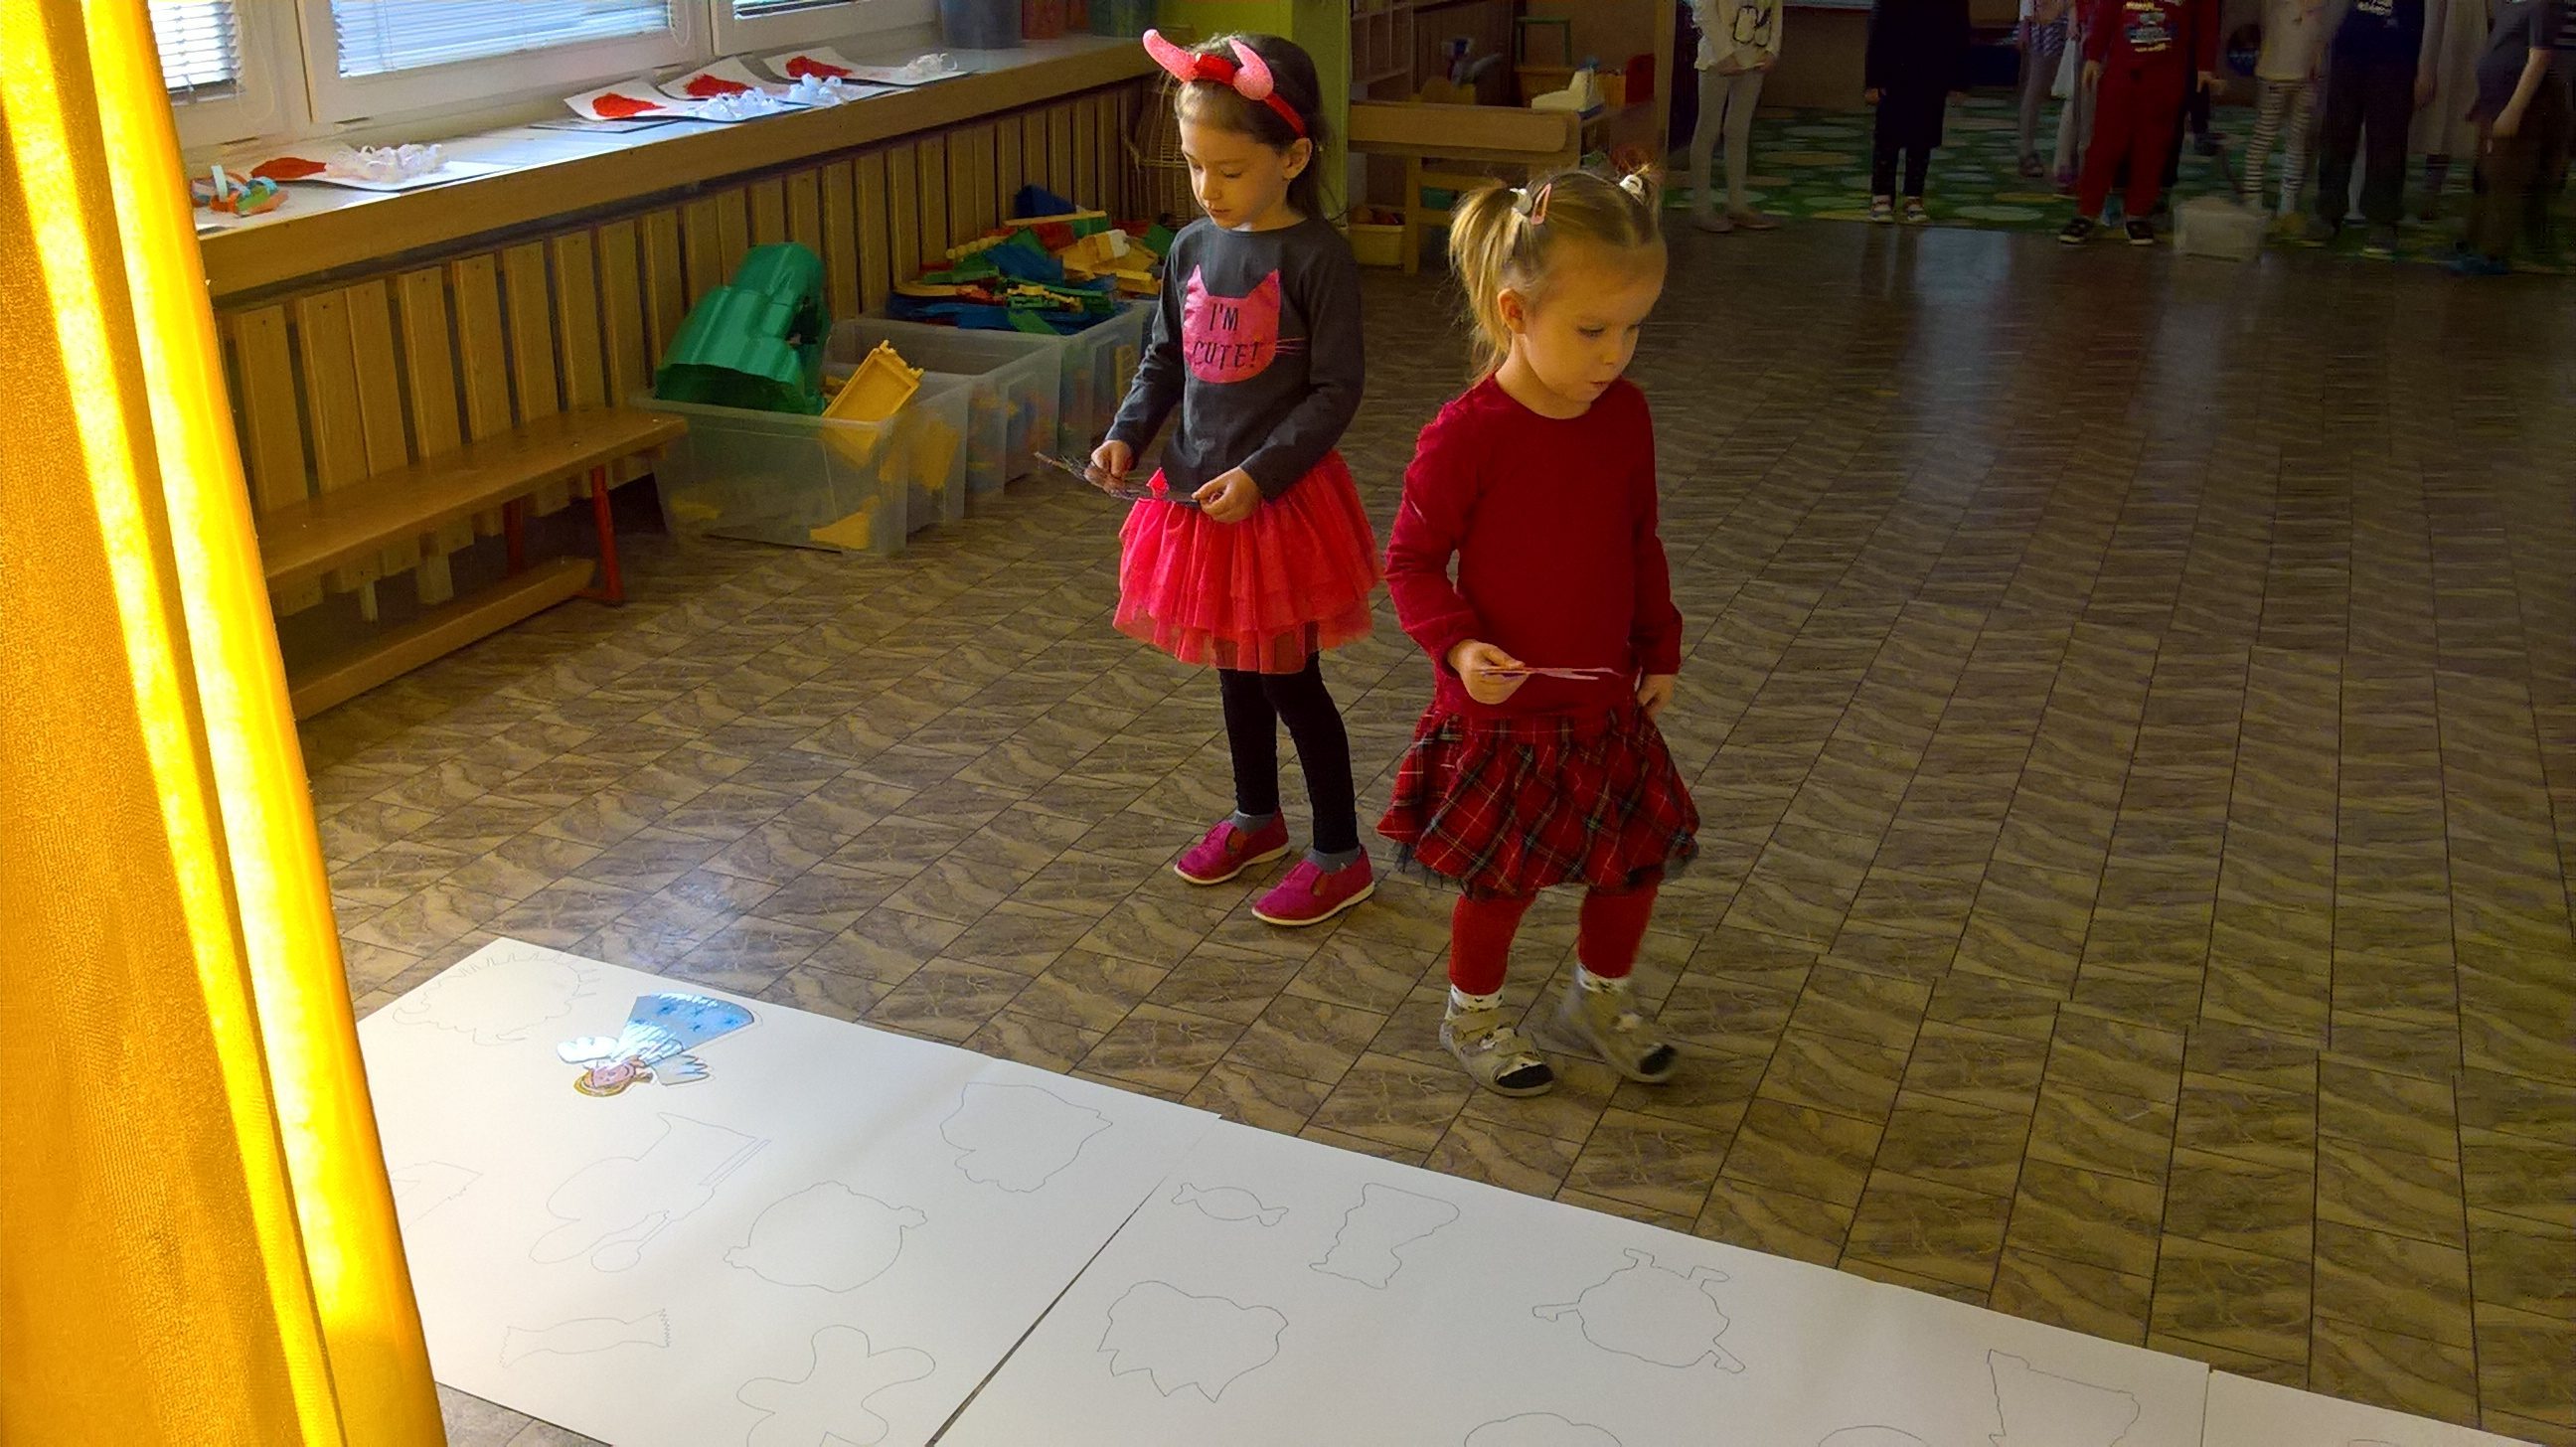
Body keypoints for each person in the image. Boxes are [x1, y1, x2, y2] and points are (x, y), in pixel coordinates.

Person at [1380, 168, 1697, 1098]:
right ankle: (1472, 1015)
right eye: (1592, 330)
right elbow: (1409, 561)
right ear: (1515, 312)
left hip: (1603, 703)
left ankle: (1598, 1000)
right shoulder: (1467, 434)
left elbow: (1640, 540)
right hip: (1502, 715)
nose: (1615, 355)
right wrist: (1457, 645)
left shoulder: (1624, 416)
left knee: (1633, 866)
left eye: (1634, 328)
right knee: (1503, 883)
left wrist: (1660, 646)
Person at [1092, 31, 1381, 926]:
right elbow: (1164, 362)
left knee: (1292, 682)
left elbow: (1335, 392)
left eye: (1228, 170)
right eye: (1193, 166)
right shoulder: (1190, 248)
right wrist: (1125, 436)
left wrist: (1262, 474)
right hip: (1197, 499)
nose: (1207, 189)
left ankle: (1340, 852)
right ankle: (1258, 818)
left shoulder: (1318, 258)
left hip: (1278, 505)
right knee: (1233, 672)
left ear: (1293, 157)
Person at [2059, 0, 2221, 242]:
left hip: (2166, 76)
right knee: (2104, 146)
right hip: (2121, 73)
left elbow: (2208, 20)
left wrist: (2205, 66)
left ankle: (2137, 212)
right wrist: (2094, 56)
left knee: (2152, 148)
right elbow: (2106, 12)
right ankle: (2087, 211)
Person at [2453, 0, 2569, 271]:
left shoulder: (2543, 6)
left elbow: (2539, 58)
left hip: (2518, 106)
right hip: (2495, 100)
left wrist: (2514, 109)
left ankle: (2494, 252)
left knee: (2506, 177)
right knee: (2486, 175)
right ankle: (2474, 240)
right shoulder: (2510, 4)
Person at [2310, 0, 2433, 254]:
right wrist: (2322, 43)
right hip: (2350, 48)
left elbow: (2430, 15)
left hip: (2396, 53)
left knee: (2388, 139)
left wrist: (2425, 66)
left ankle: (2383, 218)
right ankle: (2328, 210)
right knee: (2337, 132)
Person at [1865, 0, 1973, 222]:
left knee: (1923, 132)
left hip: (1934, 65)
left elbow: (1960, 27)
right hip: (1894, 65)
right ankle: (1881, 194)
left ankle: (1914, 195)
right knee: (1888, 133)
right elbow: (1878, 26)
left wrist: (1959, 79)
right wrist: (1873, 80)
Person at [1687, 0, 1785, 233]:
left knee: (1739, 130)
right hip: (1717, 57)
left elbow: (1776, 9)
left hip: (1755, 54)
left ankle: (1738, 204)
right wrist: (1724, 53)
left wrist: (1773, 49)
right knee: (1708, 130)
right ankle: (1701, 208)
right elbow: (1703, 10)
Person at [2242, 0, 2332, 228]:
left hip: (2308, 76)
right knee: (2264, 137)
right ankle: (2252, 200)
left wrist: (2319, 59)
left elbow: (2323, 28)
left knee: (2298, 140)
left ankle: (2288, 205)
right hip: (2276, 72)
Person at [2415, 0, 2495, 218]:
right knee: (2440, 114)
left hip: (2469, 33)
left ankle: (2434, 191)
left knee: (2452, 117)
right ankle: (2428, 190)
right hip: (2438, 31)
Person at [2018, 0, 2078, 176]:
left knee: (2077, 87)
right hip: (2047, 15)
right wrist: (2024, 20)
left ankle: (2071, 154)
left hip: (2080, 13)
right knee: (2037, 87)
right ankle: (2026, 151)